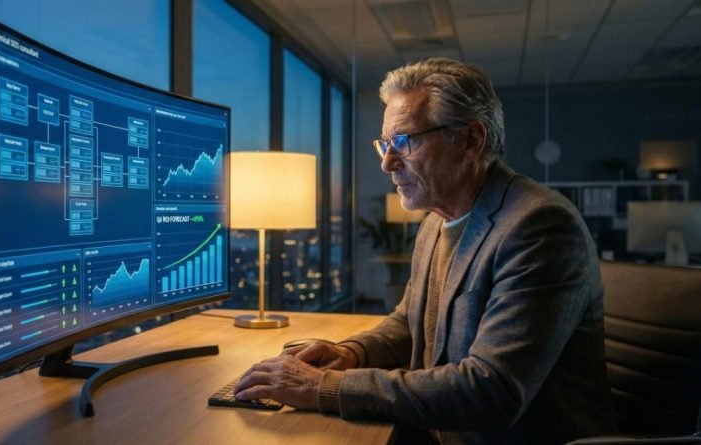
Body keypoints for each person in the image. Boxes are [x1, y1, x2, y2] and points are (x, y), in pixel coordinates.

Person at [234, 58, 617, 444]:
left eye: (404, 142)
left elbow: (492, 390)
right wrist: (352, 353)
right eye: (385, 144)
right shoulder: (438, 217)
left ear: (471, 140)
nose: (387, 162)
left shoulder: (539, 226)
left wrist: (328, 386)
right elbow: (408, 321)